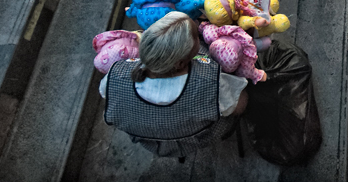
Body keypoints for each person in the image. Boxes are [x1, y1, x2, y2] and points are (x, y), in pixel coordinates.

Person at [99, 11, 250, 160]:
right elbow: (237, 107)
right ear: (179, 63)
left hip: (151, 142)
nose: (198, 38)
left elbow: (105, 93)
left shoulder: (115, 76)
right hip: (198, 139)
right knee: (244, 97)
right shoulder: (207, 79)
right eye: (197, 37)